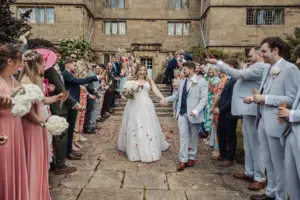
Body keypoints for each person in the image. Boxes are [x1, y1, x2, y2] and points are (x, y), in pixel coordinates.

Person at [208, 46, 267, 190]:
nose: (249, 58)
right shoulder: (253, 66)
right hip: (246, 110)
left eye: (251, 55)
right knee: (248, 143)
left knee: (255, 145)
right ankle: (249, 171)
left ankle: (259, 177)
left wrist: (218, 63)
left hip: (253, 109)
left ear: (260, 55)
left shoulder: (260, 67)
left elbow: (238, 74)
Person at [19, 50, 64, 200]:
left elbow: (41, 100)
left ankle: (39, 190)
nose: (44, 67)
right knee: (34, 158)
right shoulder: (25, 81)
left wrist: (56, 98)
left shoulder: (36, 79)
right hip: (33, 125)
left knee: (42, 156)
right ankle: (32, 194)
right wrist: (42, 123)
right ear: (36, 64)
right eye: (43, 64)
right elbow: (26, 110)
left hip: (40, 122)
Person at [118, 64, 170, 162]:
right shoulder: (131, 82)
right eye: (140, 70)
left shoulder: (149, 81)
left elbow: (155, 90)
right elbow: (125, 95)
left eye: (144, 70)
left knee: (147, 125)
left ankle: (148, 149)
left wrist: (162, 97)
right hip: (134, 105)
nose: (142, 72)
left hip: (146, 106)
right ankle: (135, 151)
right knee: (134, 125)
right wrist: (128, 92)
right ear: (137, 71)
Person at [163, 61, 208, 171]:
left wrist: (196, 111)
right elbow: (177, 96)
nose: (183, 71)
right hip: (182, 113)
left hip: (194, 114)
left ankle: (191, 157)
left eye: (185, 70)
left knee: (193, 137)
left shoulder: (202, 82)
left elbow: (204, 99)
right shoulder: (182, 82)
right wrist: (165, 99)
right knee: (183, 136)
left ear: (192, 69)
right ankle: (183, 160)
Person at [0, 44, 30, 200]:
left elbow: (23, 95)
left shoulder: (12, 79)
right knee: (5, 171)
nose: (21, 65)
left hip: (15, 127)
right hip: (3, 130)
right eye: (19, 61)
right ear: (10, 61)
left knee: (15, 167)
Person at [63, 59, 102, 160]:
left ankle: (70, 149)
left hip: (74, 101)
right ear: (68, 65)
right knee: (71, 127)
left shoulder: (69, 73)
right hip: (71, 103)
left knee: (72, 127)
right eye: (74, 65)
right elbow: (78, 81)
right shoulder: (66, 74)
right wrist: (95, 77)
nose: (76, 67)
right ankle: (69, 151)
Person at [277, 45, 300, 200]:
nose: (297, 62)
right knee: (291, 178)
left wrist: (291, 114)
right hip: (292, 131)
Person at [204, 66, 220, 150]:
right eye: (209, 70)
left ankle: (211, 138)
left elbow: (216, 91)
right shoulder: (206, 78)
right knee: (206, 117)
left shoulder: (217, 79)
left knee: (211, 118)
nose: (210, 71)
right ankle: (208, 136)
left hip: (212, 100)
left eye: (212, 70)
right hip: (207, 99)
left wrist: (211, 89)